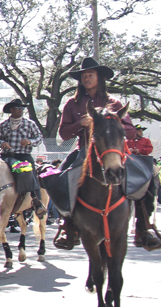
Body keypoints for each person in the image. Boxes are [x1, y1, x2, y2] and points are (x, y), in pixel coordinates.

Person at [54, 57, 135, 249]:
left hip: (112, 152)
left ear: (99, 77)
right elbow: (64, 134)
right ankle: (68, 226)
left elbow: (130, 131)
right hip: (83, 151)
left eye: (90, 75)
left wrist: (112, 121)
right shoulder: (71, 104)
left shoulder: (113, 103)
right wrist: (79, 124)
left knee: (143, 176)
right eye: (83, 76)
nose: (86, 79)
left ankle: (144, 227)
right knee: (59, 179)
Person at [0, 99, 45, 215]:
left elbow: (39, 138)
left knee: (31, 173)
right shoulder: (4, 125)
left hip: (23, 156)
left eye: (22, 108)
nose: (21, 110)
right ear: (11, 110)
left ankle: (38, 202)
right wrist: (3, 143)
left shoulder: (30, 124)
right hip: (7, 156)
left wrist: (29, 142)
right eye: (18, 108)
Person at [127, 126, 161, 250]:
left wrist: (139, 151)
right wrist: (130, 150)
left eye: (140, 131)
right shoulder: (127, 141)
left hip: (142, 163)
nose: (138, 132)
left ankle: (143, 228)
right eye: (137, 130)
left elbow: (149, 149)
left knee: (151, 175)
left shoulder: (145, 140)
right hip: (130, 164)